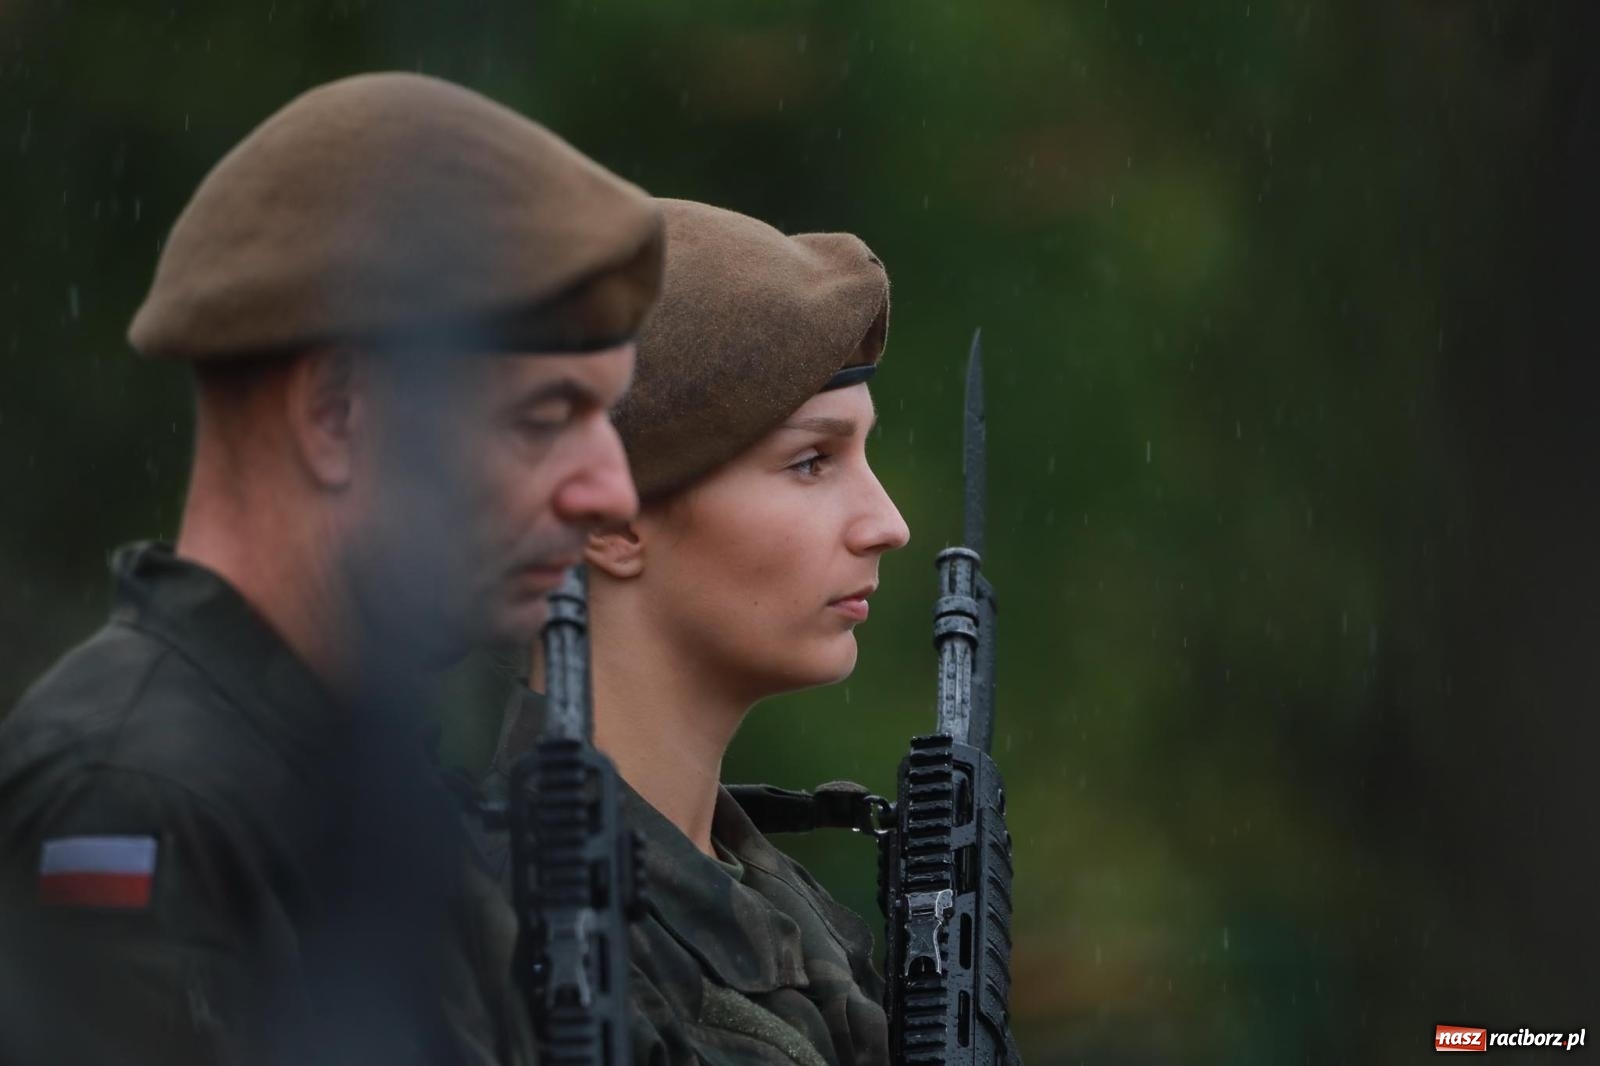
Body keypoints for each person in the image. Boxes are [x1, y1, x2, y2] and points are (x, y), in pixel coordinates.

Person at [0, 73, 663, 1066]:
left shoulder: (355, 788)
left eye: (604, 418)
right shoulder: (136, 796)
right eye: (544, 418)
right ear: (335, 415)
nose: (612, 491)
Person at [485, 199, 910, 1066]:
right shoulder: (509, 945)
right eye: (811, 462)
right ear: (610, 522)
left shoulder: (789, 917)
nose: (887, 524)